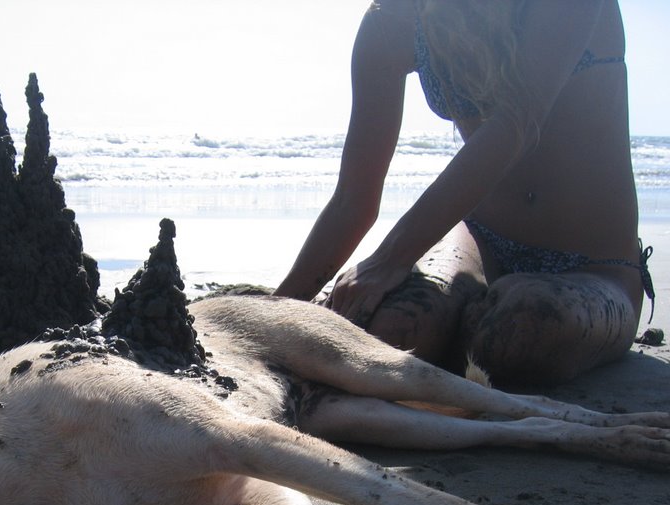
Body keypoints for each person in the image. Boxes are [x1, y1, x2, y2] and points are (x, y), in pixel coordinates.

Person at [274, 0, 653, 384]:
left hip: (596, 267)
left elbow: (516, 123)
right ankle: (461, 328)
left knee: (518, 328)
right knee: (394, 326)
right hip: (480, 244)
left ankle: (468, 330)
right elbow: (353, 200)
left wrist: (392, 258)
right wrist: (275, 314)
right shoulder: (391, 19)